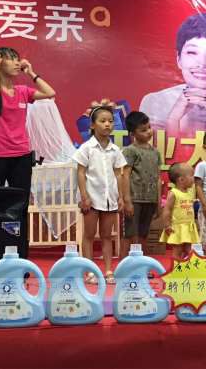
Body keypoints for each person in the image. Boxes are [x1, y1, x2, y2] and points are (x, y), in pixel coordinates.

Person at [0, 47, 56, 257]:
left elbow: (50, 93)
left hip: (21, 156)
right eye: (11, 59)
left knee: (20, 206)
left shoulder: (22, 91)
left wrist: (31, 73)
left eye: (18, 59)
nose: (17, 63)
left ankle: (18, 255)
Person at [139, 13, 206, 135]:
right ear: (179, 59)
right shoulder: (154, 102)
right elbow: (149, 145)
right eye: (192, 52)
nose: (202, 64)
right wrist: (173, 119)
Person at [73, 106, 127, 284]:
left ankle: (109, 270)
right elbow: (81, 172)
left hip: (110, 198)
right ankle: (89, 272)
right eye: (102, 121)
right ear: (92, 125)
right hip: (91, 198)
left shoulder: (115, 150)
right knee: (89, 235)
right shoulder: (86, 148)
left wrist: (121, 197)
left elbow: (118, 174)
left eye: (110, 121)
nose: (107, 124)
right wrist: (84, 196)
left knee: (107, 236)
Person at [121, 111, 162, 258]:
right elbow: (125, 175)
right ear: (133, 133)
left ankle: (141, 264)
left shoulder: (155, 152)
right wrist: (127, 200)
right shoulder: (130, 151)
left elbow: (158, 177)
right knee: (130, 233)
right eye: (143, 130)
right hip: (135, 199)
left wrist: (158, 201)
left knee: (144, 233)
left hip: (150, 199)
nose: (148, 132)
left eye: (149, 127)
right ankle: (123, 265)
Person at [159, 163, 200, 260]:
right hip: (177, 227)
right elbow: (167, 210)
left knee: (189, 250)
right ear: (181, 180)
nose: (193, 178)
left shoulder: (189, 192)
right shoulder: (174, 193)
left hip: (189, 226)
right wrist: (167, 225)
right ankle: (176, 267)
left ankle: (187, 267)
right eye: (191, 176)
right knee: (178, 249)